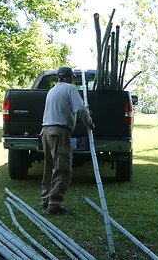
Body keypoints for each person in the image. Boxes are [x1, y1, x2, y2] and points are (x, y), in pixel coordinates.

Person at [40, 67, 95, 216]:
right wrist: (89, 122)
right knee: (63, 169)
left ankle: (46, 199)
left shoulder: (52, 90)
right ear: (69, 78)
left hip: (46, 131)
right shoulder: (70, 89)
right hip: (59, 132)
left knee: (49, 166)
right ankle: (55, 204)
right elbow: (80, 108)